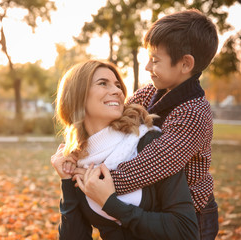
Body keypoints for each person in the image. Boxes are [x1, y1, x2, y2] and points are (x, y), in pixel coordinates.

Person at [102, 9, 218, 240]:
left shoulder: (193, 112)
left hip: (193, 214)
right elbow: (116, 121)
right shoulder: (150, 93)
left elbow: (156, 163)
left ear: (185, 64)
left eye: (155, 60)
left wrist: (105, 184)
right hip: (158, 205)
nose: (146, 67)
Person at [51, 59, 199, 239]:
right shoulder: (78, 164)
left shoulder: (150, 144)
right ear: (77, 95)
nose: (118, 91)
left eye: (117, 85)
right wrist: (67, 181)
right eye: (103, 83)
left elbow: (186, 232)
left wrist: (111, 204)